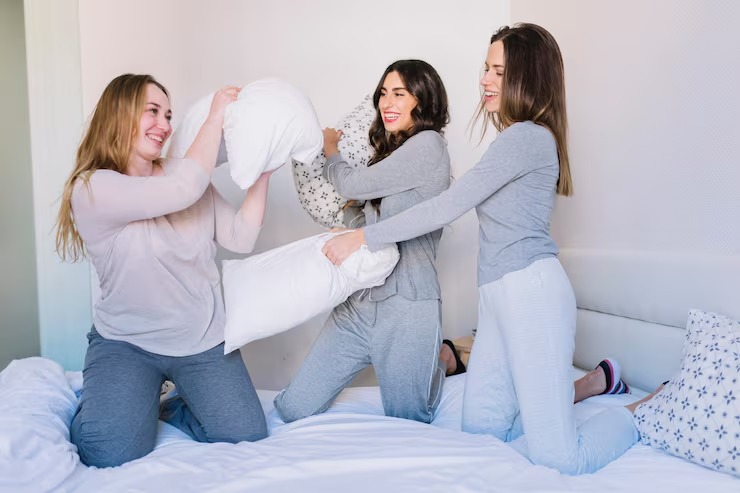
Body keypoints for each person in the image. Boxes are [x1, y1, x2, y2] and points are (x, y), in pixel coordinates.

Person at [321, 24, 653, 474]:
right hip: (499, 297)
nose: (485, 80)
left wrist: (362, 237)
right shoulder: (516, 138)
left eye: (498, 71)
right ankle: (585, 388)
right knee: (482, 435)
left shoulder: (527, 137)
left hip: (531, 294)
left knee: (562, 460)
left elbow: (448, 205)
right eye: (486, 68)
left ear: (526, 77)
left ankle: (641, 411)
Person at [55, 74, 270, 468]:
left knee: (245, 432)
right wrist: (215, 116)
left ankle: (170, 404)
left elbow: (240, 237)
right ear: (119, 114)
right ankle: (114, 396)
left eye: (168, 115)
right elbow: (182, 190)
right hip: (127, 343)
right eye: (152, 112)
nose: (165, 125)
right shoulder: (93, 187)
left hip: (200, 338)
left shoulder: (185, 174)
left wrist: (263, 173)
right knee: (107, 452)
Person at [273, 60, 451, 424]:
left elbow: (352, 184)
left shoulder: (429, 145)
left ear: (423, 99)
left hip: (407, 309)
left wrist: (330, 148)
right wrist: (349, 225)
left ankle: (445, 358)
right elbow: (372, 218)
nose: (387, 102)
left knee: (408, 420)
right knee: (293, 408)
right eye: (383, 93)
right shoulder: (388, 155)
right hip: (360, 304)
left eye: (399, 93)